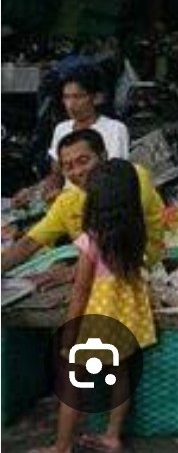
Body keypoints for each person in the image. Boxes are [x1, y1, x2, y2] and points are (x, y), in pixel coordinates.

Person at [41, 159, 156, 453]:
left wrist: (69, 334)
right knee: (121, 374)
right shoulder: (136, 233)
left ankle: (62, 446)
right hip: (127, 319)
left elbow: (80, 292)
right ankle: (112, 436)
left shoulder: (91, 241)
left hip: (97, 322)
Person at [2, 128, 163, 275]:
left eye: (83, 161)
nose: (77, 171)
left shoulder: (132, 176)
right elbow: (29, 243)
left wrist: (74, 272)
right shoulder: (67, 201)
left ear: (103, 156)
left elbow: (118, 240)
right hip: (102, 274)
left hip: (147, 268)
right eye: (68, 166)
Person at [15, 65, 129, 206]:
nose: (70, 105)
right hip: (66, 205)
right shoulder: (61, 129)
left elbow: (115, 179)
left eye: (78, 97)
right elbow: (56, 176)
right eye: (66, 97)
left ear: (97, 98)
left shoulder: (115, 129)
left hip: (100, 206)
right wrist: (32, 192)